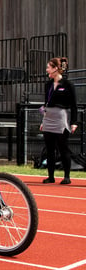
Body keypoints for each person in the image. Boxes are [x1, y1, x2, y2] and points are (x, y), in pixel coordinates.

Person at [40, 56, 78, 185]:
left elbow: (73, 105)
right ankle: (51, 176)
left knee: (63, 148)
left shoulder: (68, 85)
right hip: (49, 117)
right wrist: (43, 121)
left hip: (61, 117)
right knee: (49, 149)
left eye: (48, 67)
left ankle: (66, 176)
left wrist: (73, 122)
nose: (47, 70)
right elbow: (45, 103)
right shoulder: (48, 85)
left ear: (56, 69)